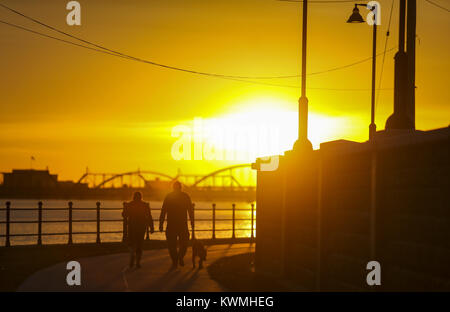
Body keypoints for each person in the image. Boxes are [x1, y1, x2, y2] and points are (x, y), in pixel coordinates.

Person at [159, 181, 194, 270]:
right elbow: (190, 210)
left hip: (171, 224)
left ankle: (175, 261)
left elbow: (163, 210)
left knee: (172, 245)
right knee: (184, 242)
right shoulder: (185, 196)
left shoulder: (169, 196)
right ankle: (180, 256)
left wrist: (161, 223)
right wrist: (192, 222)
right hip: (182, 224)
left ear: (173, 187)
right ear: (181, 187)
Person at [123, 191, 154, 269]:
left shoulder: (130, 205)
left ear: (133, 197)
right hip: (142, 227)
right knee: (140, 244)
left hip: (131, 227)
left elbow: (124, 215)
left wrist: (125, 207)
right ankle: (138, 262)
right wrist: (151, 227)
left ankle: (132, 254)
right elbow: (149, 216)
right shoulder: (145, 205)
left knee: (131, 243)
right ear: (141, 197)